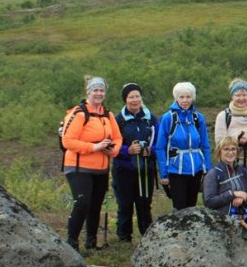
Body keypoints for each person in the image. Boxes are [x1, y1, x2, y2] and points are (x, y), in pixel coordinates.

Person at [61, 76, 123, 252]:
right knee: (83, 202)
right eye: (95, 90)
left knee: (96, 204)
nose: (99, 93)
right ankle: (72, 241)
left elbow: (117, 137)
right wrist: (94, 147)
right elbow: (67, 141)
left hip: (101, 169)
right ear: (88, 92)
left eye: (101, 90)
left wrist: (114, 150)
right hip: (78, 167)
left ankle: (91, 241)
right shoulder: (79, 114)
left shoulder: (108, 115)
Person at [111, 82, 158, 242]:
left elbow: (159, 141)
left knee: (144, 202)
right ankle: (124, 237)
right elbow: (112, 145)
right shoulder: (118, 120)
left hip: (145, 168)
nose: (135, 100)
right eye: (131, 97)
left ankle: (147, 235)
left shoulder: (150, 118)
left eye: (137, 96)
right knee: (125, 205)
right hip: (124, 169)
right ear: (125, 99)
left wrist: (151, 151)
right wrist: (127, 151)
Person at [154, 81, 212, 211]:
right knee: (179, 208)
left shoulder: (198, 118)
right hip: (176, 170)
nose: (185, 100)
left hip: (196, 169)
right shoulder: (168, 118)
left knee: (192, 207)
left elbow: (205, 145)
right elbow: (160, 147)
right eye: (181, 97)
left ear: (193, 97)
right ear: (176, 98)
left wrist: (208, 170)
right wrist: (163, 174)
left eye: (188, 97)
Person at [202, 136, 247, 217]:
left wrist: (243, 198)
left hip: (243, 219)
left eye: (233, 149)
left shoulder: (243, 171)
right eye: (226, 149)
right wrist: (232, 194)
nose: (230, 152)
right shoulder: (213, 173)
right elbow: (209, 202)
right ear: (219, 152)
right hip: (221, 221)